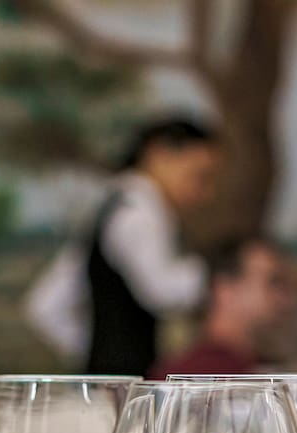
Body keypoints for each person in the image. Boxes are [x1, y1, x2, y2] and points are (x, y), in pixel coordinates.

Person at [24, 117, 221, 376]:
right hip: (128, 386)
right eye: (199, 177)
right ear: (158, 155)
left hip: (114, 380)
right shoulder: (139, 213)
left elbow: (46, 305)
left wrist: (96, 355)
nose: (206, 194)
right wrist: (220, 274)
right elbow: (162, 290)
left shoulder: (114, 206)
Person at [151, 237, 292, 378]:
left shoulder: (255, 365)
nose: (286, 298)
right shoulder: (192, 375)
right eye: (273, 282)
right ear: (225, 290)